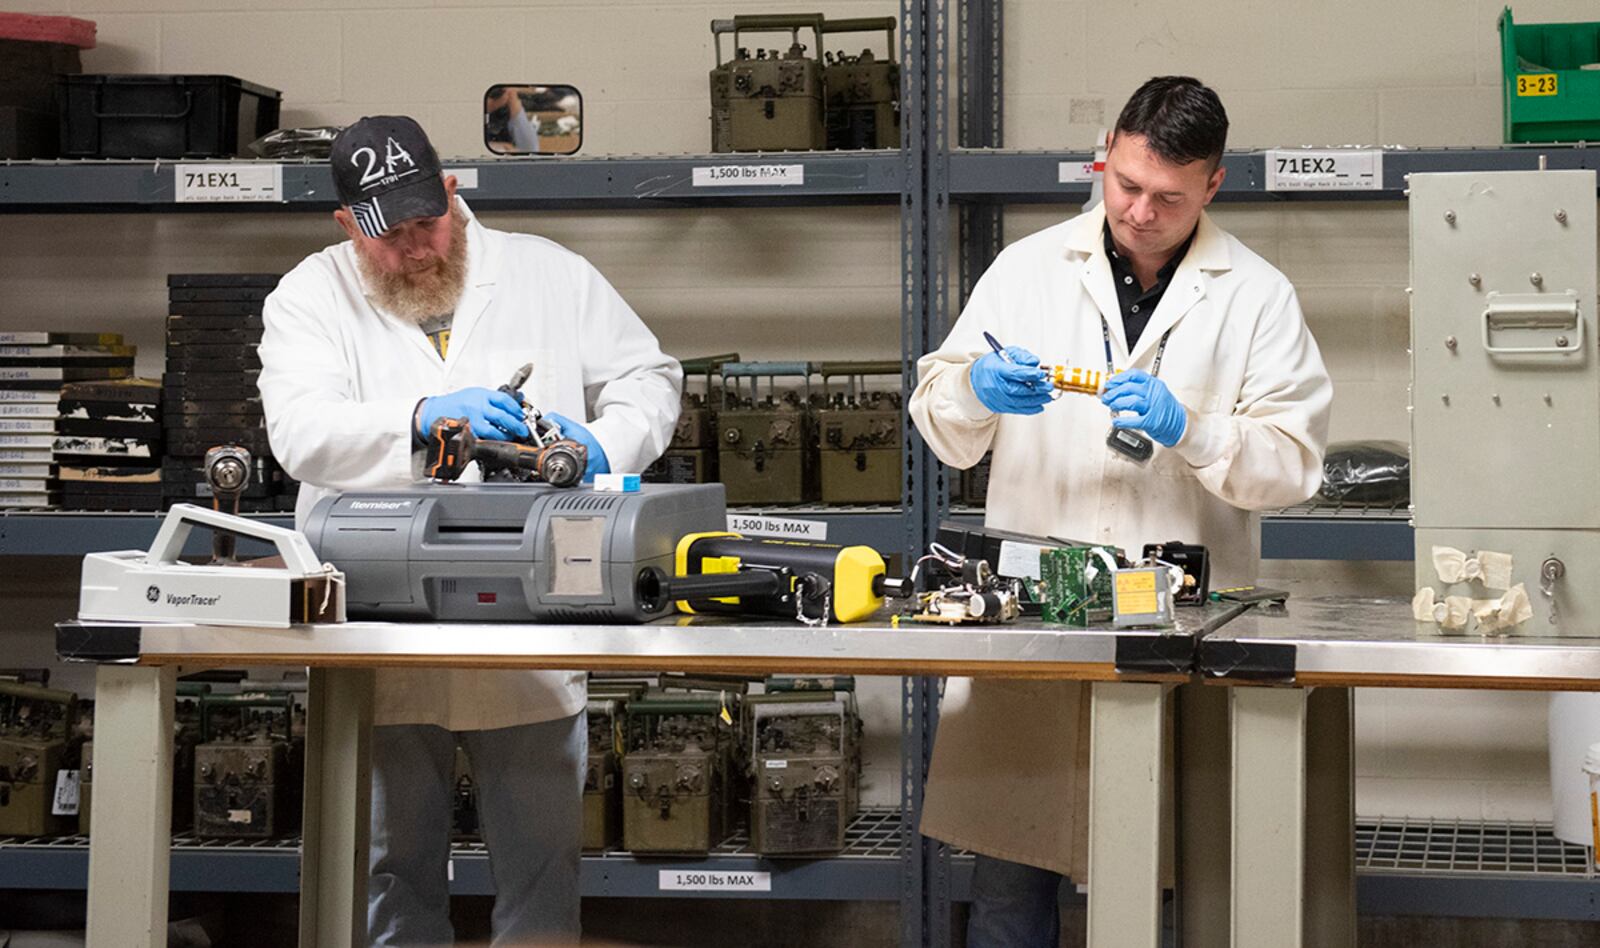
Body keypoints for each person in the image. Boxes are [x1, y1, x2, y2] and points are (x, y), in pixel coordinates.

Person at [908, 76, 1332, 946]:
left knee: (1181, 880)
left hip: (1183, 631)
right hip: (1036, 619)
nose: (1140, 212)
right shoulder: (1028, 269)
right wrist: (979, 392)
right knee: (1009, 879)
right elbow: (941, 423)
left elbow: (1293, 464)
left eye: (1168, 198)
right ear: (1107, 155)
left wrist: (1198, 431)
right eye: (1126, 184)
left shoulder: (1255, 294)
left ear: (1213, 185)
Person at [258, 115, 682, 945]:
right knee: (391, 876)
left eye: (428, 222)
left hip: (530, 627)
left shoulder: (548, 273)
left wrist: (603, 442)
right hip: (378, 630)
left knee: (542, 872)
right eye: (390, 236)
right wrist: (419, 417)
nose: (417, 248)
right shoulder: (309, 295)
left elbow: (650, 376)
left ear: (451, 192)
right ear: (347, 224)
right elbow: (299, 433)